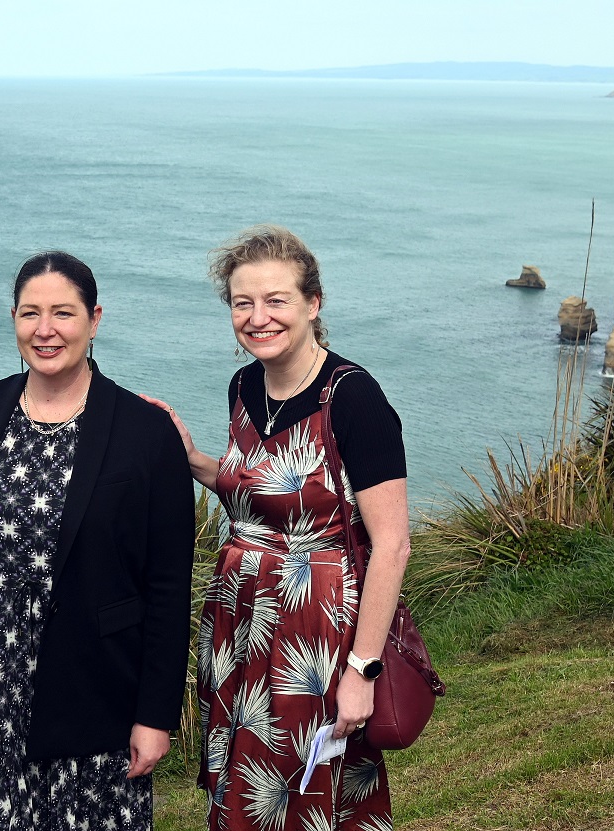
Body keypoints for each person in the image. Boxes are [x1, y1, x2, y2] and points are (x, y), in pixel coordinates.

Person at [0, 251, 194, 831]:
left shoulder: (145, 431)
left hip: (93, 693)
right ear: (12, 318)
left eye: (63, 313)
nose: (45, 330)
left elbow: (166, 588)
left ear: (95, 318)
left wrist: (155, 716)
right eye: (30, 314)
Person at [144, 226, 409, 830]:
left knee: (304, 790)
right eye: (243, 303)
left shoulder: (354, 399)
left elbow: (392, 543)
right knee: (245, 787)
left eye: (276, 301)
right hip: (240, 623)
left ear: (313, 304)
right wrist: (190, 459)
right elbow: (257, 494)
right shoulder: (244, 387)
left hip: (315, 636)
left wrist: (361, 671)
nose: (258, 318)